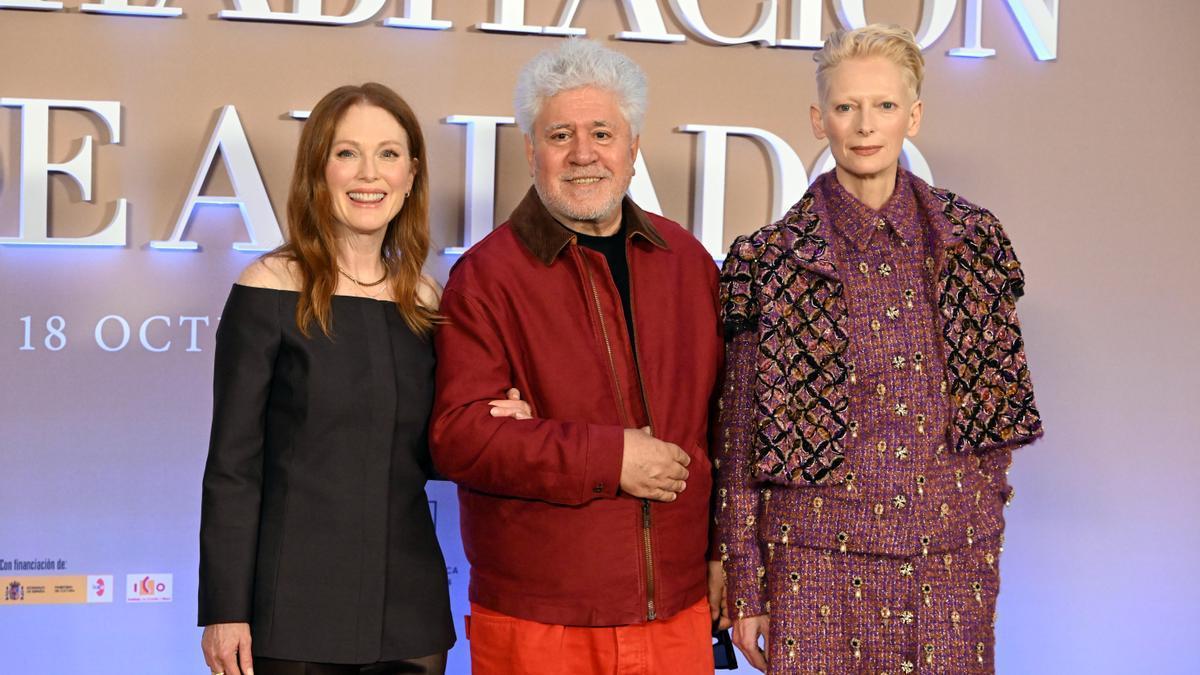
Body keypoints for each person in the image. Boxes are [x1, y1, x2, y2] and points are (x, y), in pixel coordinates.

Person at [716, 25, 1043, 674]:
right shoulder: (770, 260)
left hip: (950, 562)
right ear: (819, 118)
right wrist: (747, 585)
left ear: (913, 115)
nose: (865, 124)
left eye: (885, 105)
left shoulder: (971, 242)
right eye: (845, 107)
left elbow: (994, 412)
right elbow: (739, 437)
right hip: (814, 558)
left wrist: (978, 540)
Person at [197, 82, 530, 675]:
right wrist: (225, 610)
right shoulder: (268, 287)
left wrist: (491, 426)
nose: (368, 173)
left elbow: (432, 447)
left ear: (411, 173)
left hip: (409, 610)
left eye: (389, 153)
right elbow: (233, 466)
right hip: (292, 609)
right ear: (317, 169)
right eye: (346, 152)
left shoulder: (426, 299)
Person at [429, 39, 728, 674]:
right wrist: (610, 456)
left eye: (602, 132)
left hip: (677, 613)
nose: (584, 153)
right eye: (560, 134)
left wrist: (727, 554)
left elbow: (726, 427)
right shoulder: (486, 277)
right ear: (531, 149)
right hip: (540, 623)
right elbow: (461, 438)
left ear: (633, 147)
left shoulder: (689, 263)